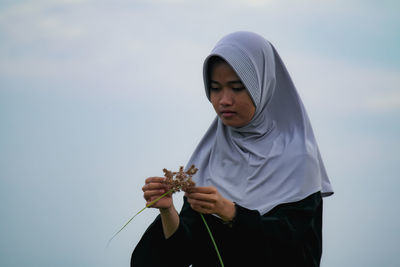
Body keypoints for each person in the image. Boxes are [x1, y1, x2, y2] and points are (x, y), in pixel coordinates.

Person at [131, 31, 333, 267]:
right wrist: (167, 212)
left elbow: (298, 255)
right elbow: (183, 253)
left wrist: (232, 213)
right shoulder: (209, 158)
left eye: (237, 88)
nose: (224, 100)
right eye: (215, 88)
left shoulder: (298, 159)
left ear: (263, 86)